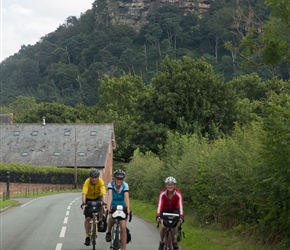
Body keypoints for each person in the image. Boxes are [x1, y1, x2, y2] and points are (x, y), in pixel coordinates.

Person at [156, 176, 184, 250]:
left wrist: (181, 216)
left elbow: (180, 205)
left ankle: (174, 241)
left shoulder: (178, 194)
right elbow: (160, 204)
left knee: (174, 226)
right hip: (164, 210)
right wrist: (158, 215)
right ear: (166, 185)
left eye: (172, 184)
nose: (170, 186)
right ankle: (162, 242)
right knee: (163, 227)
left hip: (174, 210)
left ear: (175, 185)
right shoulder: (163, 193)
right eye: (168, 184)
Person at [105, 169, 130, 250]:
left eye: (121, 179)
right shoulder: (111, 184)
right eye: (117, 179)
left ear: (123, 179)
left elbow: (126, 198)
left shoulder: (125, 185)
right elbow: (110, 196)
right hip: (113, 204)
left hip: (122, 206)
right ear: (114, 178)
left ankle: (124, 248)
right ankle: (109, 231)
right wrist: (108, 207)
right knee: (111, 217)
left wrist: (128, 208)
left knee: (123, 227)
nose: (119, 181)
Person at [81, 168, 106, 246]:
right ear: (90, 177)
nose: (94, 179)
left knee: (101, 206)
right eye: (93, 177)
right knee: (88, 219)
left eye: (96, 177)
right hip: (89, 199)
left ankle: (101, 220)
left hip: (98, 198)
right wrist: (84, 203)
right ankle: (87, 237)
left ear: (98, 177)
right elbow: (84, 193)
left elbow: (103, 193)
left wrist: (104, 202)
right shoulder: (87, 182)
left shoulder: (101, 181)